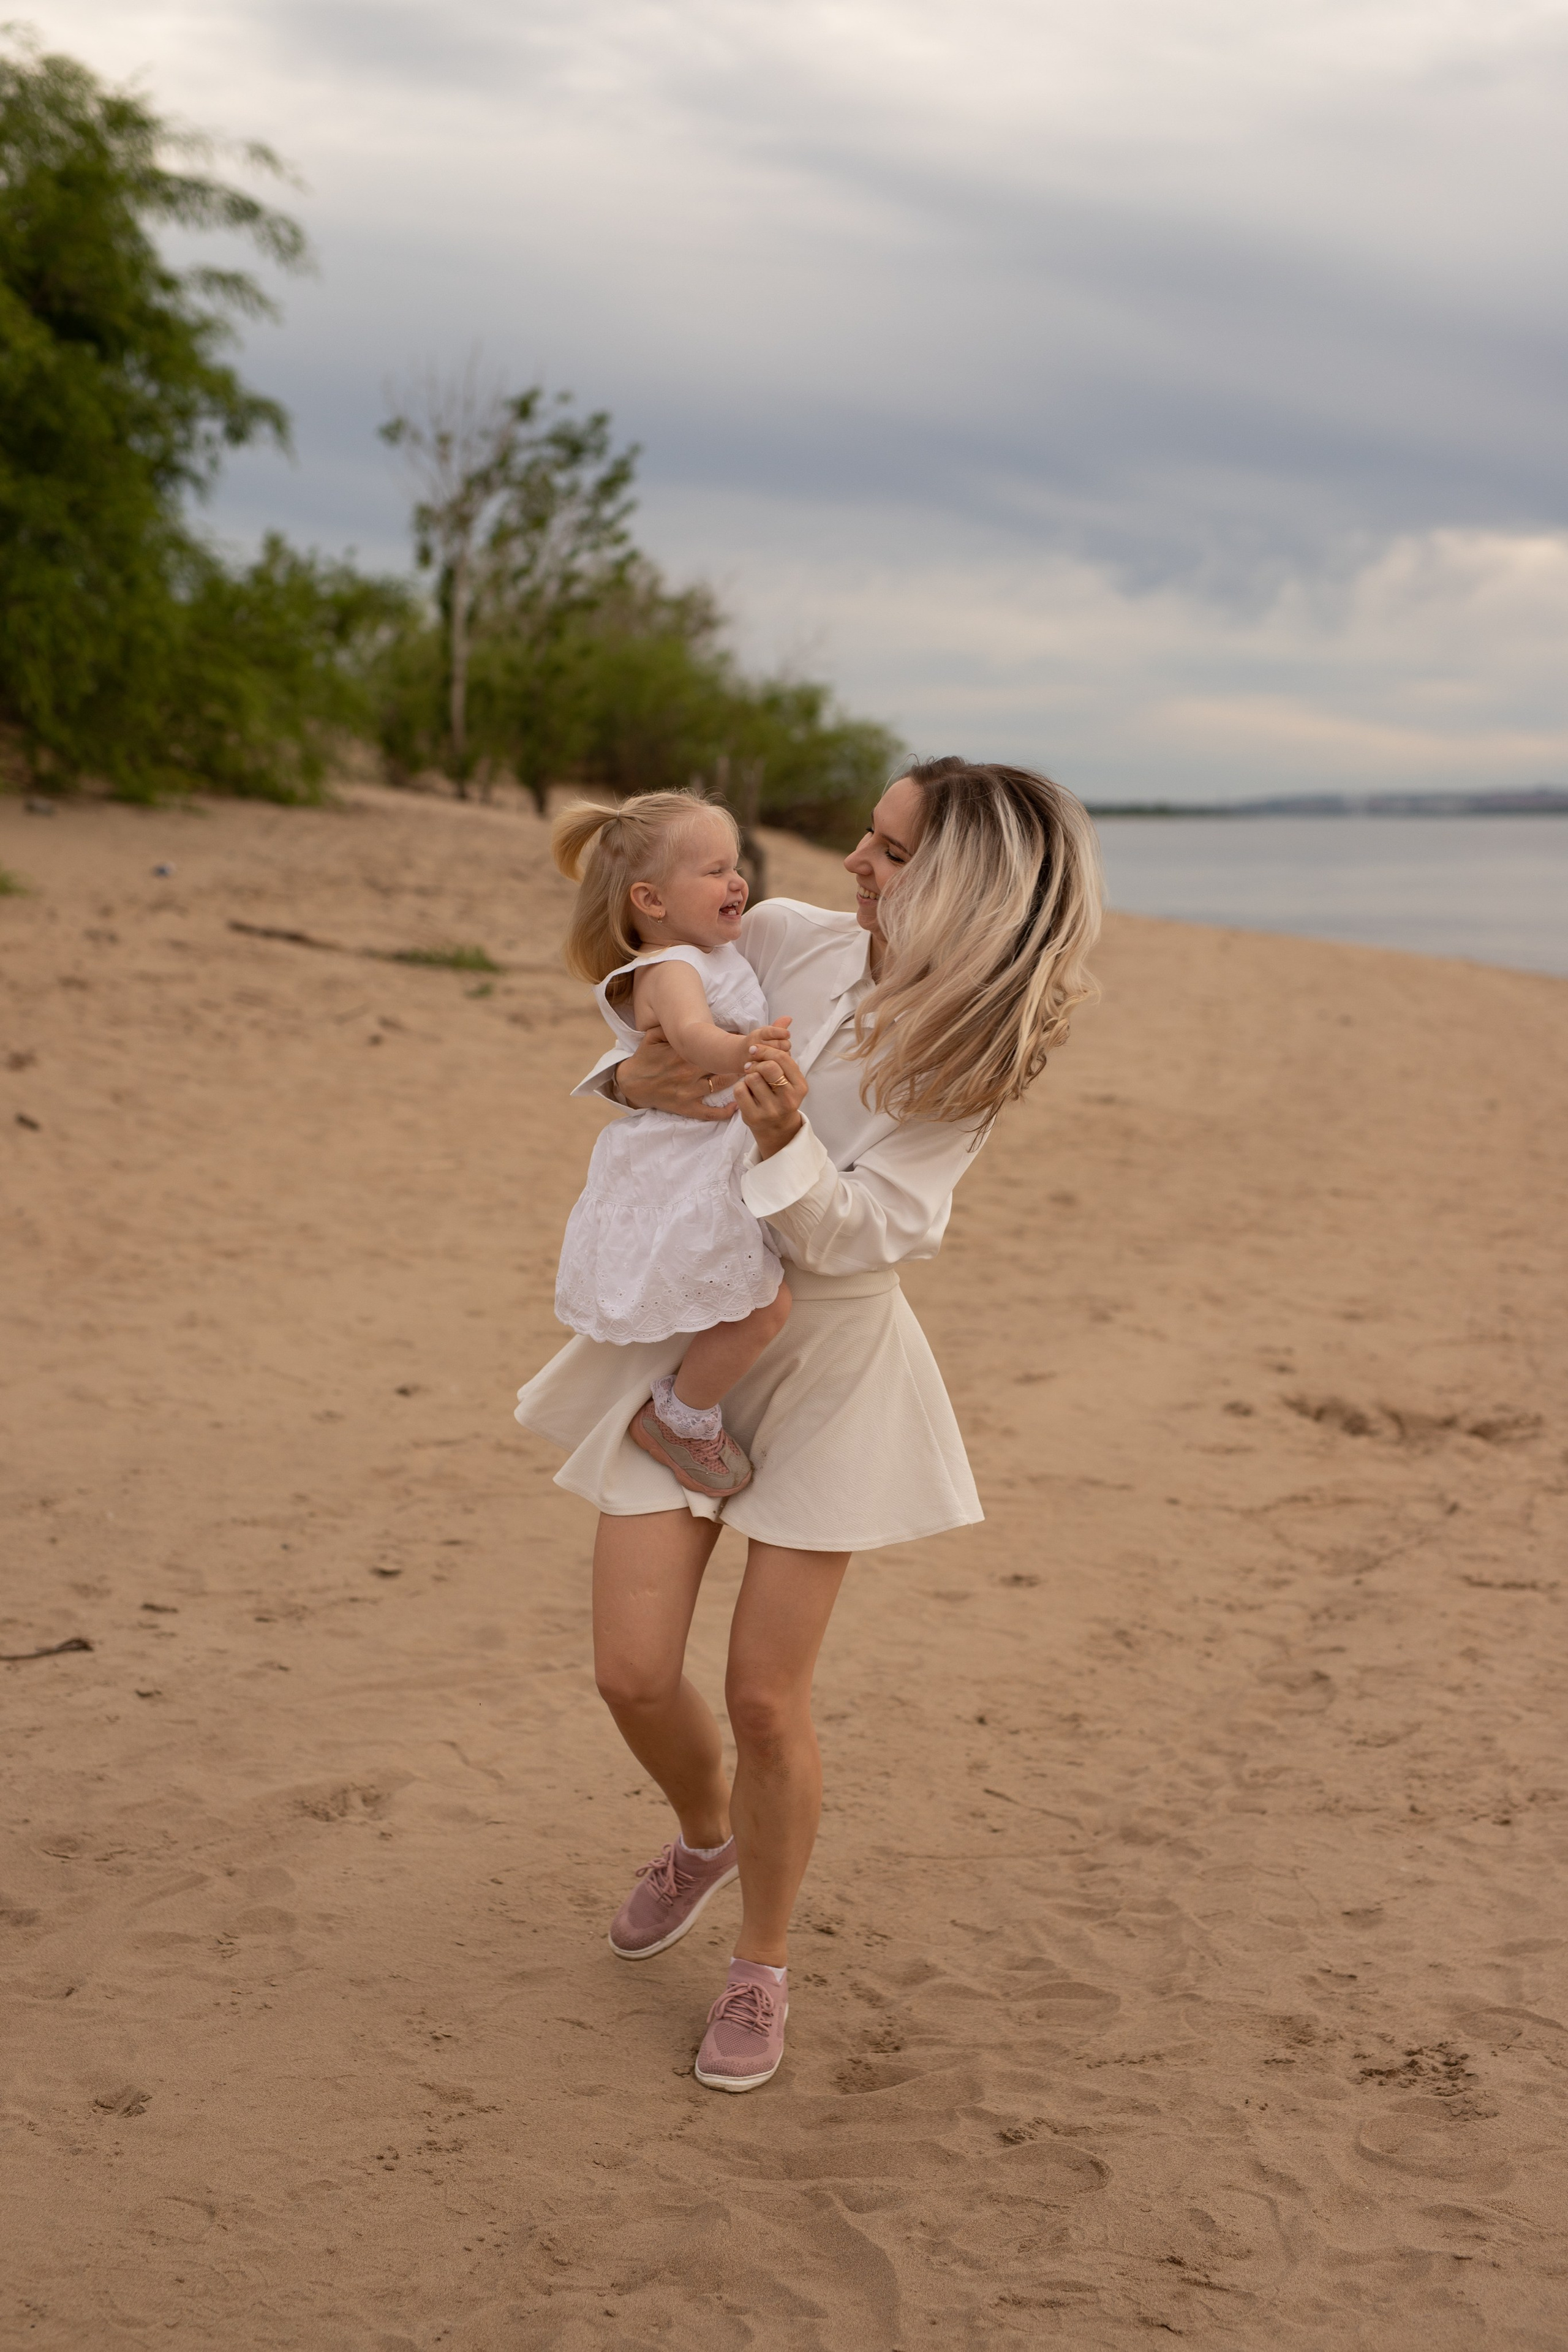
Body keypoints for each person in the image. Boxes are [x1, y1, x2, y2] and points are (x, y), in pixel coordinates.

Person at [515, 758, 1102, 2093]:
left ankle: (761, 1964)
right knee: (630, 1673)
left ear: (955, 881)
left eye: (886, 850)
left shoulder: (972, 1047)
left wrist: (784, 1144)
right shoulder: (786, 938)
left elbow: (875, 1231)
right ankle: (704, 1835)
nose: (851, 862)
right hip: (694, 1330)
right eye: (867, 836)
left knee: (764, 1699)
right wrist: (633, 1088)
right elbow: (652, 1013)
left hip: (830, 1355)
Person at [549, 793, 796, 1500]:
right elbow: (691, 1038)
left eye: (735, 865)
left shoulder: (710, 952)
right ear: (651, 900)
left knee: (753, 1299)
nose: (737, 881)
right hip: (682, 1161)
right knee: (763, 1307)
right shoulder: (670, 968)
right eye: (715, 871)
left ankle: (688, 1411)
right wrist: (746, 1049)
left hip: (705, 1150)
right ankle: (682, 1419)